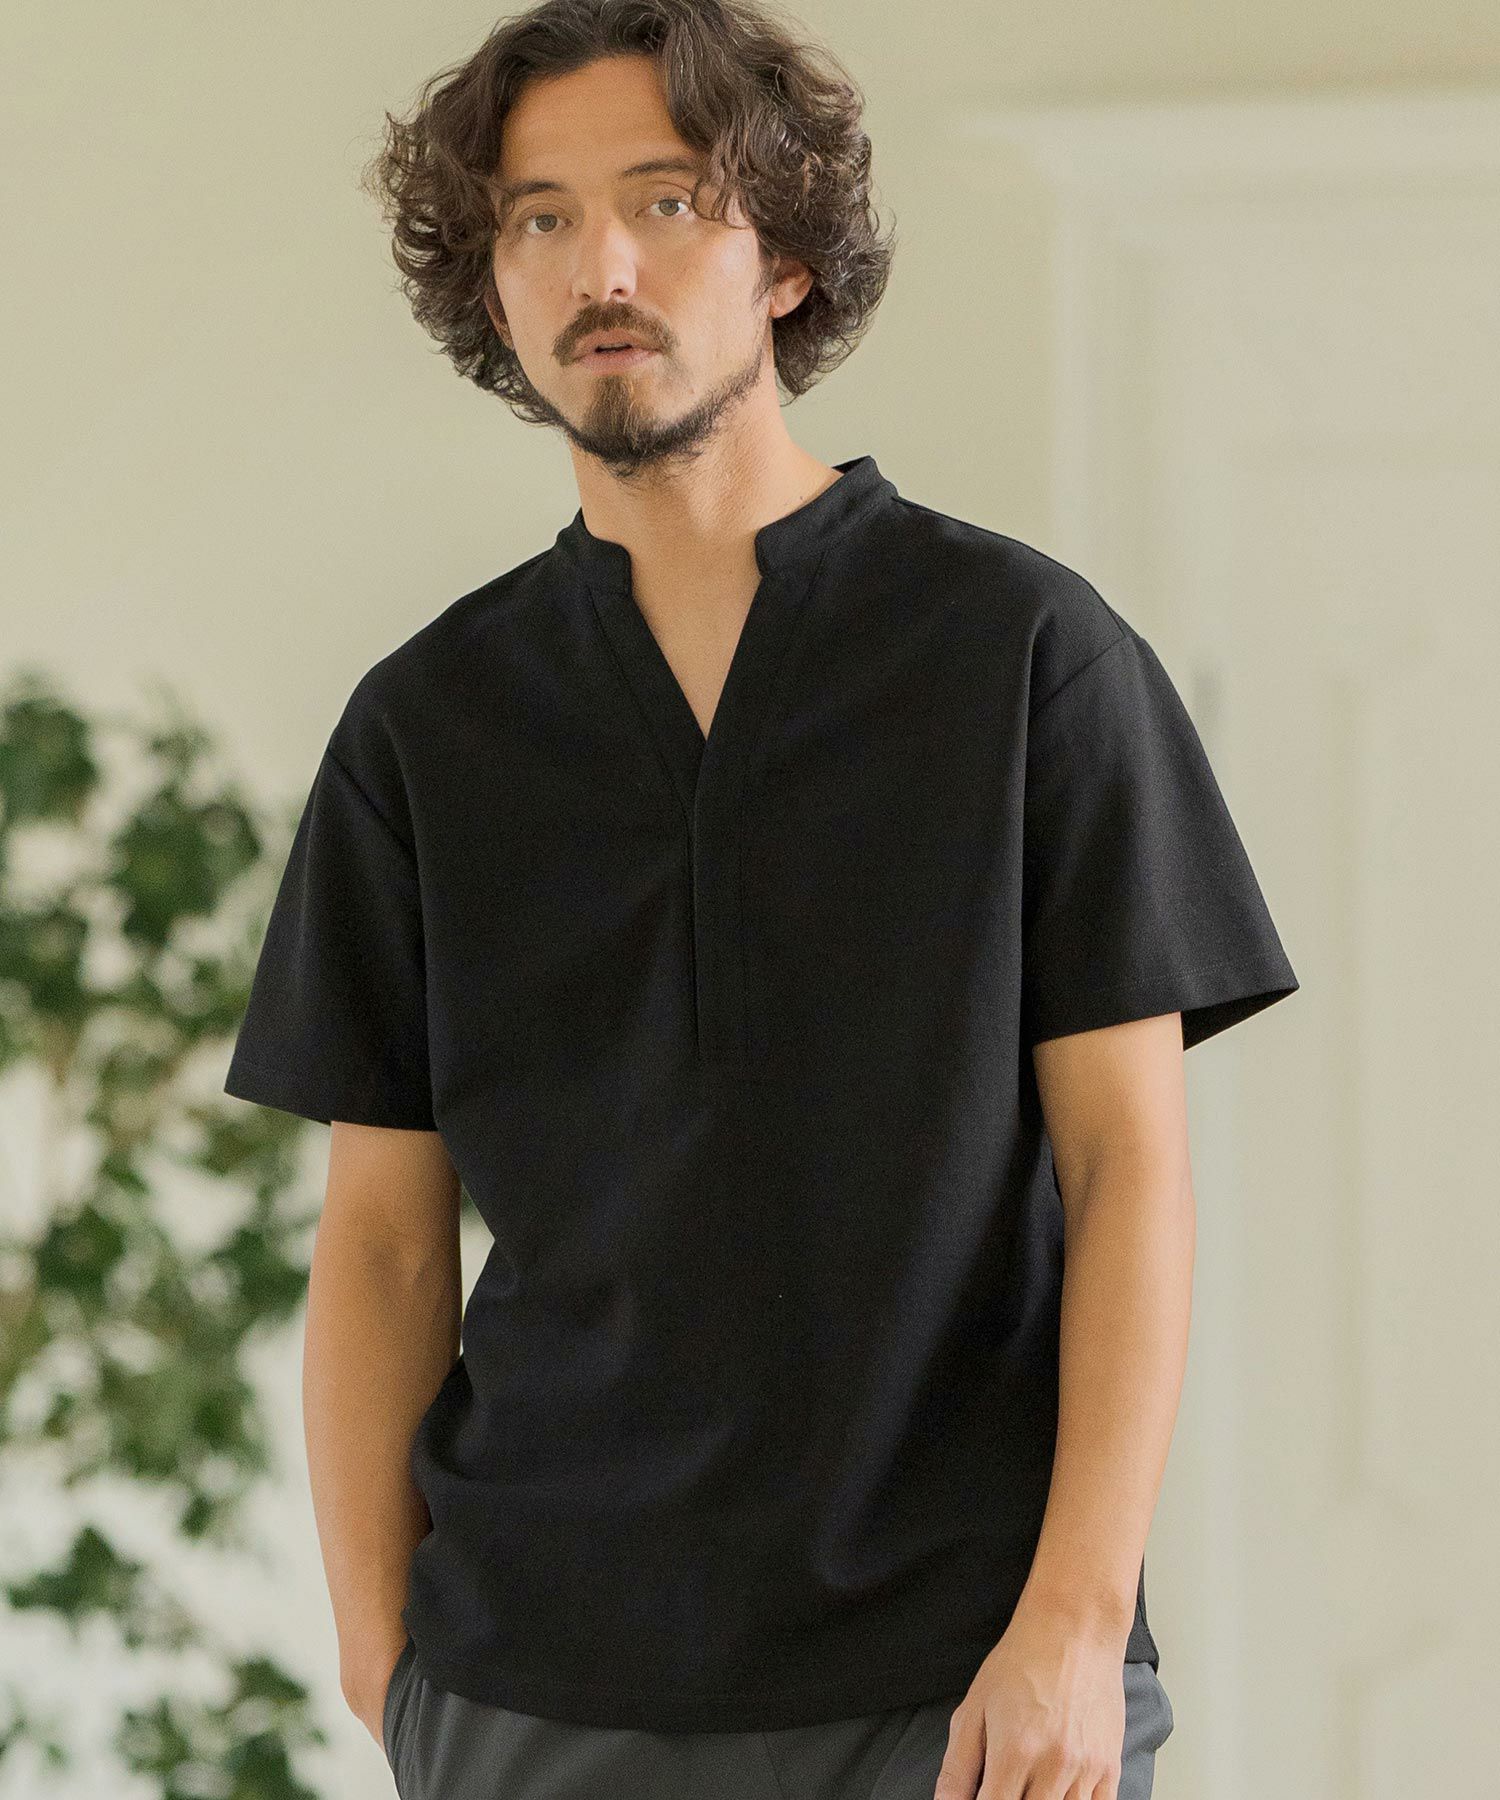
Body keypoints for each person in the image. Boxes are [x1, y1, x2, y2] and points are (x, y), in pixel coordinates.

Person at [223, 2, 1299, 1796]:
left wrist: (1074, 1619)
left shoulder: (1026, 660)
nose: (601, 266)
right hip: (535, 1682)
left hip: (958, 1678)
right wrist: (380, 1651)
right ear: (493, 284)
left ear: (786, 258)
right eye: (541, 218)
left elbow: (1129, 1171)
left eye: (666, 201)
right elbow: (387, 1243)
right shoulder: (425, 728)